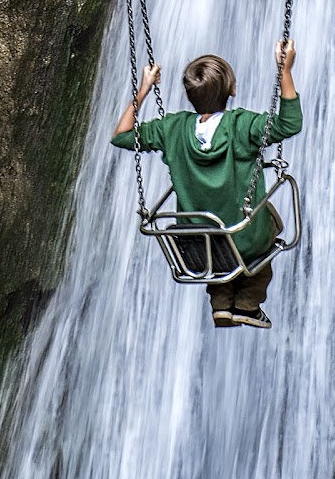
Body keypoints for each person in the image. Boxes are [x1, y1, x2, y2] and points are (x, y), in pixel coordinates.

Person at [111, 42, 302, 329]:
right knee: (270, 224)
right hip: (243, 241)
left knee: (218, 244)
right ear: (232, 90)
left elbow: (122, 136)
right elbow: (290, 124)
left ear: (189, 96)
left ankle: (221, 303)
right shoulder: (243, 125)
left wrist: (144, 87)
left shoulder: (171, 128)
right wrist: (284, 71)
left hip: (197, 245)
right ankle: (248, 304)